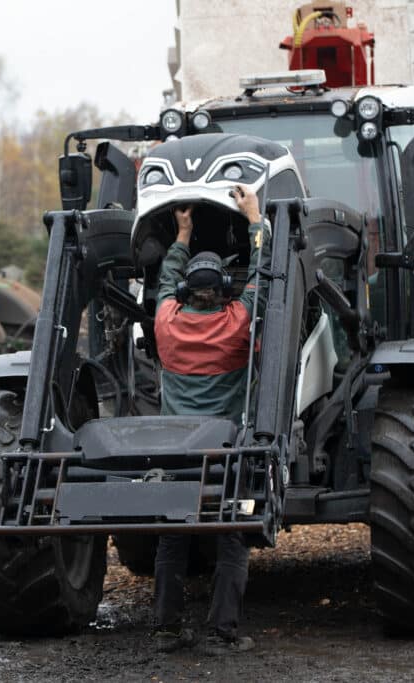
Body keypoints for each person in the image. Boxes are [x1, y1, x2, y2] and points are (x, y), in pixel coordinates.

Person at [150, 185, 269, 656]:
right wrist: (255, 219)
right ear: (223, 290)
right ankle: (223, 632)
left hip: (175, 453)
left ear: (184, 293)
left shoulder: (166, 321)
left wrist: (182, 232)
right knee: (231, 539)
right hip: (225, 453)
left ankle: (165, 630)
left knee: (171, 542)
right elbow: (264, 275)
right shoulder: (240, 321)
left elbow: (163, 281)